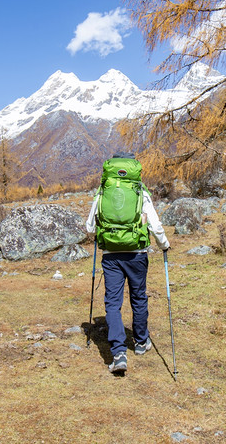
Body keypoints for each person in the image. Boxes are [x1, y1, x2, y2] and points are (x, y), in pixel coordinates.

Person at [85, 153, 169, 375]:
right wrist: (164, 246)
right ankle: (141, 343)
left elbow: (90, 227)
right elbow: (155, 225)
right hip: (137, 254)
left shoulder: (104, 191)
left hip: (111, 255)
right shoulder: (140, 191)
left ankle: (119, 353)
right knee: (138, 297)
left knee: (113, 303)